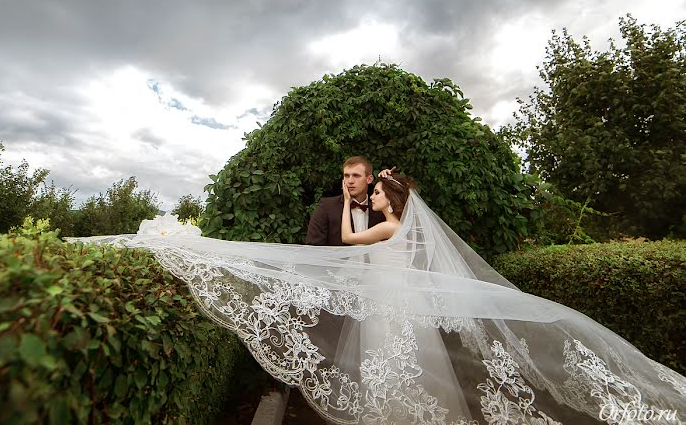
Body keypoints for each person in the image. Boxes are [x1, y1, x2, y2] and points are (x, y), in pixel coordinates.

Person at [70, 170, 686, 424]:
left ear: (390, 200)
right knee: (401, 367)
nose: (373, 198)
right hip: (393, 302)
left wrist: (352, 217)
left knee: (398, 368)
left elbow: (349, 244)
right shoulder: (398, 228)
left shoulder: (387, 224)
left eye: (378, 193)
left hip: (391, 305)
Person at [306, 156, 387, 246]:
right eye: (346, 176)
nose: (350, 181)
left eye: (356, 176)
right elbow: (313, 247)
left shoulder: (380, 209)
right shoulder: (327, 207)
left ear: (369, 179)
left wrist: (389, 179)